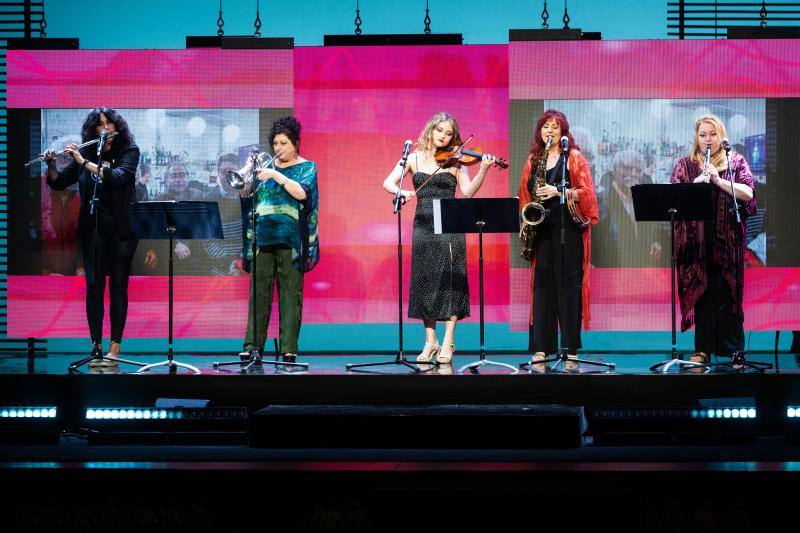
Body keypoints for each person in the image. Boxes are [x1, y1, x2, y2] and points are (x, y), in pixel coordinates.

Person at [382, 112, 496, 365]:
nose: (444, 136)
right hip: (423, 226)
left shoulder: (455, 162)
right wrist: (405, 191)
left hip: (451, 225)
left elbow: (467, 192)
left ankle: (448, 341)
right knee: (426, 281)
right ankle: (430, 341)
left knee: (451, 281)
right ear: (431, 130)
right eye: (440, 131)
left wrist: (484, 169)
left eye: (448, 133)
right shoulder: (412, 158)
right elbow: (388, 183)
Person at [44, 107, 140, 366]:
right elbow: (59, 182)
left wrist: (83, 162)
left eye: (109, 123)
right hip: (92, 228)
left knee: (118, 287)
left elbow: (118, 178)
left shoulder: (129, 151)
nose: (105, 128)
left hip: (122, 230)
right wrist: (52, 164)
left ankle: (115, 348)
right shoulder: (86, 152)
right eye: (100, 124)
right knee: (93, 288)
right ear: (93, 130)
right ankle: (96, 346)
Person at [671, 114, 756, 365]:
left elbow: (748, 193)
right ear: (696, 138)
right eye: (702, 135)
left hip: (727, 241)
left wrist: (718, 181)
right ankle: (703, 350)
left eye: (712, 134)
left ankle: (733, 350)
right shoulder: (685, 165)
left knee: (728, 294)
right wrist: (693, 189)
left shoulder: (735, 162)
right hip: (696, 244)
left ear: (721, 136)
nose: (708, 139)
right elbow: (673, 199)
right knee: (703, 293)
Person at [517, 109, 598, 370]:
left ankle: (570, 349)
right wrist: (526, 224)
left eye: (555, 126)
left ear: (563, 131)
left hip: (567, 230)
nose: (549, 131)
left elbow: (588, 194)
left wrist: (559, 191)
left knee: (568, 288)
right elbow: (524, 195)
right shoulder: (534, 159)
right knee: (542, 289)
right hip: (541, 230)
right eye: (545, 126)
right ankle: (541, 348)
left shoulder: (573, 157)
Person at [240, 116, 319, 364]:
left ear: (295, 142)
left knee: (290, 295)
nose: (278, 148)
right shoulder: (265, 169)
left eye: (283, 143)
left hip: (292, 241)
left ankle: (289, 349)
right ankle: (252, 346)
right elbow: (244, 193)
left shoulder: (307, 167)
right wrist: (249, 173)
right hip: (263, 239)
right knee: (258, 295)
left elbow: (302, 194)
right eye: (275, 143)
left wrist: (276, 176)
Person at [592, 150, 666, 267]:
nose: (633, 173)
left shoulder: (643, 199)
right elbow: (596, 243)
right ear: (614, 171)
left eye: (638, 170)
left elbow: (653, 229)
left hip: (639, 269)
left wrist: (655, 241)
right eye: (627, 168)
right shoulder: (601, 200)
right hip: (611, 271)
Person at [201, 153, 248, 275]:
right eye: (223, 172)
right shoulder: (209, 200)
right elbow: (208, 242)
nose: (228, 176)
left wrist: (242, 261)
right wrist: (229, 263)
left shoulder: (249, 197)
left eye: (232, 171)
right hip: (220, 268)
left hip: (247, 264)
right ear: (218, 174)